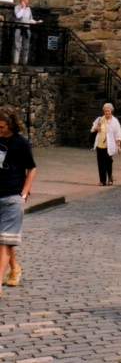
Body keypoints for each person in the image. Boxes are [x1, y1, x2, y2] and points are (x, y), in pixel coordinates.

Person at [0, 108, 36, 295]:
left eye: (2, 127)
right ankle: (15, 268)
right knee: (3, 239)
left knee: (5, 242)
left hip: (12, 196)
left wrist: (24, 192)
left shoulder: (21, 143)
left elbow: (32, 168)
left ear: (11, 125)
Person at [91, 103, 121, 186]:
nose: (107, 112)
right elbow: (92, 129)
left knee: (108, 162)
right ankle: (102, 181)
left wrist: (118, 146)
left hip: (109, 145)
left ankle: (110, 178)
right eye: (105, 111)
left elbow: (118, 134)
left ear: (111, 111)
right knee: (100, 163)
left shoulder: (115, 121)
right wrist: (96, 128)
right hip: (99, 144)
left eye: (108, 111)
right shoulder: (100, 119)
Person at [12, 0, 42, 66]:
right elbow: (18, 16)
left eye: (27, 1)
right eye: (25, 1)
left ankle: (24, 63)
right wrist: (23, 8)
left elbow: (30, 19)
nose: (27, 2)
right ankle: (16, 62)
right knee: (17, 46)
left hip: (27, 29)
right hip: (19, 28)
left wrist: (36, 22)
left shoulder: (28, 9)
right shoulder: (17, 7)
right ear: (22, 1)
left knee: (26, 46)